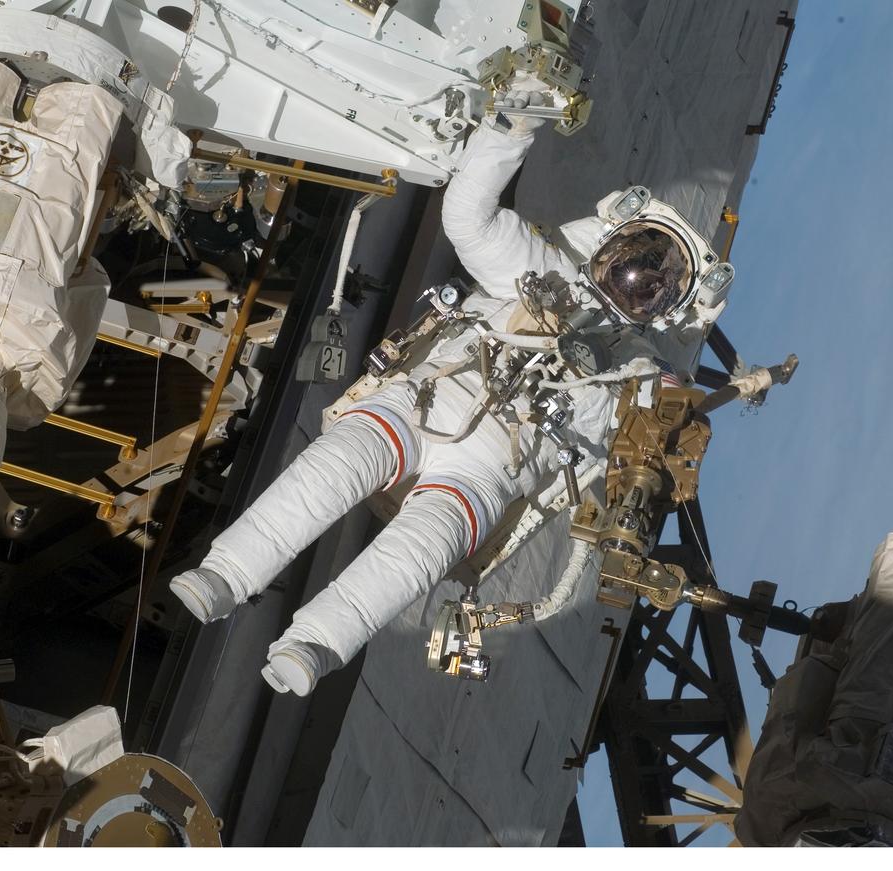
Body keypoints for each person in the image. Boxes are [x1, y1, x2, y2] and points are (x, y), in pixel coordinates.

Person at [169, 93, 731, 696]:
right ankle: (226, 573)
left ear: (664, 313)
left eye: (655, 286)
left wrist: (678, 411)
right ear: (612, 240)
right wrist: (512, 129)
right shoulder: (543, 267)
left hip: (491, 468)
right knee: (337, 465)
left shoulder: (636, 374)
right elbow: (467, 215)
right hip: (431, 401)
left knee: (424, 547)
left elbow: (660, 440)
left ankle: (316, 644)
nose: (636, 280)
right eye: (637, 259)